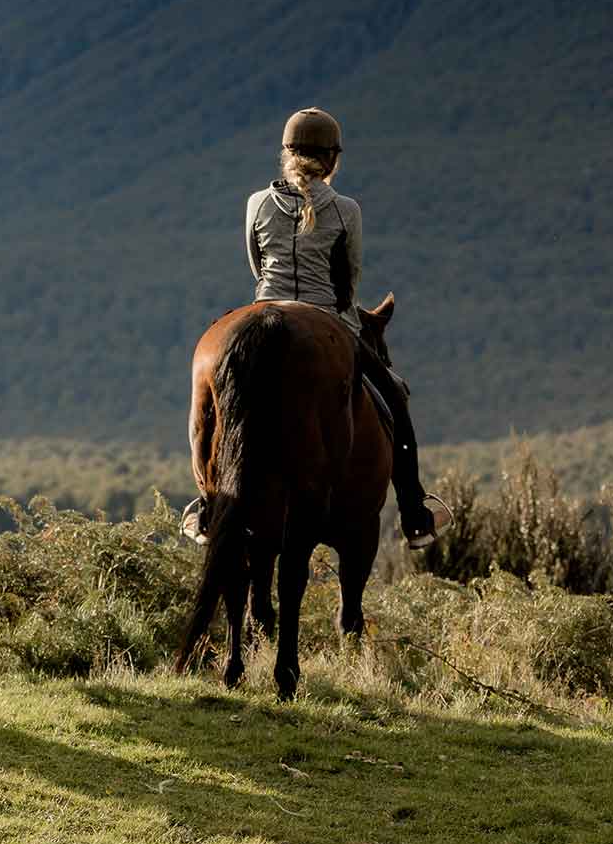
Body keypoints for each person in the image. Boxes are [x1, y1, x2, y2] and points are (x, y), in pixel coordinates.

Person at [185, 107, 444, 548]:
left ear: (285, 155)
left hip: (264, 305)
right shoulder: (346, 210)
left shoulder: (256, 203)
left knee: (211, 406)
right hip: (331, 318)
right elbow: (351, 275)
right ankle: (414, 510)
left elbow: (255, 263)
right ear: (332, 160)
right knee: (395, 397)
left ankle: (208, 504)